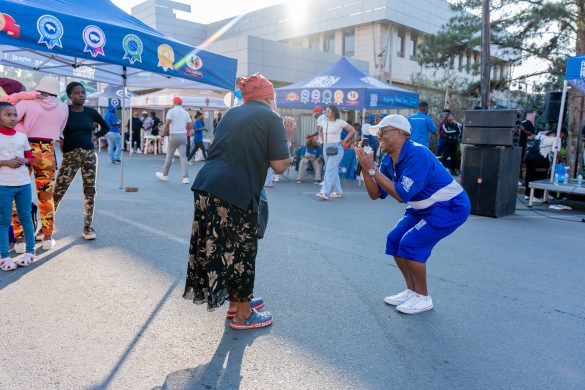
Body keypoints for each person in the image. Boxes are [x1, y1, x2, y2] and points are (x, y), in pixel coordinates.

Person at [184, 73, 289, 330]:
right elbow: (281, 165)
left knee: (226, 249)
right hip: (236, 191)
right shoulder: (272, 118)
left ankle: (236, 303)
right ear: (268, 98)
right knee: (242, 250)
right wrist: (286, 136)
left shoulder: (231, 113)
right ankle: (243, 314)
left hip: (207, 185)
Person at [355, 114, 470, 314]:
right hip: (422, 206)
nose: (378, 136)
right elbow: (376, 194)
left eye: (382, 132)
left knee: (411, 243)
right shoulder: (388, 159)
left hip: (449, 206)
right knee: (394, 239)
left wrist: (372, 170)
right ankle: (412, 291)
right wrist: (366, 168)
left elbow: (400, 195)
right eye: (377, 133)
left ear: (401, 134)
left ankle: (423, 297)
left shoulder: (417, 154)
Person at [11, 76, 68, 252]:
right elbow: (60, 131)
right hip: (48, 152)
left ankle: (20, 240)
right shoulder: (64, 107)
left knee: (17, 193)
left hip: (25, 149)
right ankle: (48, 237)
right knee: (46, 195)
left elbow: (11, 119)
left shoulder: (28, 103)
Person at [53, 82, 109, 241]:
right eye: (77, 93)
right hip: (70, 156)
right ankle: (46, 224)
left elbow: (105, 127)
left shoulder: (91, 112)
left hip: (90, 156)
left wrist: (96, 136)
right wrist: (60, 140)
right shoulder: (64, 112)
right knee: (58, 191)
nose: (81, 95)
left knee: (90, 190)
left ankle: (87, 226)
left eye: (83, 92)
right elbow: (54, 128)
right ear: (70, 95)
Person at [0, 102, 37, 270]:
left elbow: (30, 158)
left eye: (14, 114)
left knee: (26, 218)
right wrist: (5, 162)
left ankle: (31, 252)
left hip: (23, 184)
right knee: (3, 221)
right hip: (3, 186)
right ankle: (4, 257)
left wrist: (25, 160)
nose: (13, 118)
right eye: (8, 115)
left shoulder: (22, 136)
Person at [316, 104, 356, 200]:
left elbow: (352, 130)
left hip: (336, 147)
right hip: (326, 147)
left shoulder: (340, 122)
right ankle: (338, 191)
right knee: (332, 170)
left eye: (328, 111)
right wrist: (321, 141)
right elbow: (320, 131)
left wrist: (344, 140)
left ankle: (324, 192)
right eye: (326, 111)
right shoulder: (324, 122)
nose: (326, 113)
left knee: (329, 169)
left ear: (333, 112)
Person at [156, 97, 192, 184]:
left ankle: (165, 175)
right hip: (183, 135)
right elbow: (190, 126)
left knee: (169, 156)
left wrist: (162, 135)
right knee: (183, 157)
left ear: (175, 102)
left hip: (174, 135)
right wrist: (182, 127)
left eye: (173, 101)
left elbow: (166, 124)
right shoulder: (186, 113)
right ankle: (185, 178)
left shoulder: (171, 111)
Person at [524, 129, 566, 200]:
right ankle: (537, 197)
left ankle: (527, 194)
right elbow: (556, 153)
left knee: (529, 175)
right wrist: (563, 161)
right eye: (564, 136)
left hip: (529, 156)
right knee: (542, 176)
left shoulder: (541, 134)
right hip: (540, 157)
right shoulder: (557, 139)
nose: (563, 139)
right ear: (561, 133)